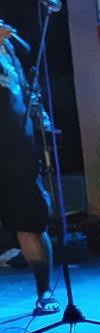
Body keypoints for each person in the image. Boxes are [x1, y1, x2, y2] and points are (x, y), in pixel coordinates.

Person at [0, 17, 55, 316]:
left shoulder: (8, 48)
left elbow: (23, 89)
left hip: (16, 151)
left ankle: (44, 292)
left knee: (30, 224)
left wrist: (39, 115)